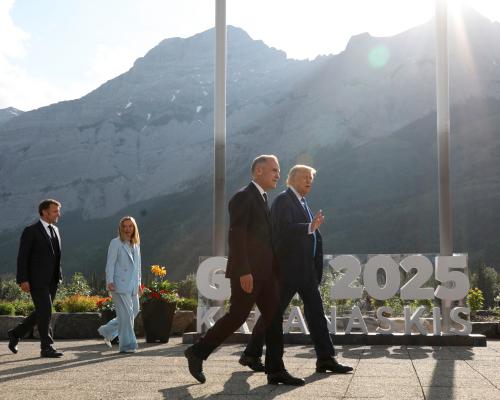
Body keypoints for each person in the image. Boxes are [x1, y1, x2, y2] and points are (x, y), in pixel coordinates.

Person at [184, 155, 304, 386]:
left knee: (274, 318)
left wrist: (275, 271)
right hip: (249, 273)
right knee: (237, 316)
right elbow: (237, 236)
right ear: (258, 171)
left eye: (278, 170)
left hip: (266, 274)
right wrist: (243, 271)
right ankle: (198, 352)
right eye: (274, 170)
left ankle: (276, 370)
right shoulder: (243, 197)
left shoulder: (262, 198)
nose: (278, 175)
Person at [242, 165, 353, 374]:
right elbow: (281, 231)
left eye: (311, 178)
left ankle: (326, 359)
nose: (309, 181)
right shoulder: (283, 200)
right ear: (292, 179)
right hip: (286, 271)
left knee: (317, 314)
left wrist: (312, 236)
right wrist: (309, 227)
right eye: (305, 177)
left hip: (306, 271)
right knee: (272, 314)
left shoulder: (302, 202)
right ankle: (251, 353)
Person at [8, 199, 64, 358]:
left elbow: (56, 256)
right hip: (36, 280)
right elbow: (22, 257)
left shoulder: (55, 230)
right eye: (55, 211)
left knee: (42, 311)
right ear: (44, 212)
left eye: (58, 211)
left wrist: (58, 275)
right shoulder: (31, 231)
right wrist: (23, 279)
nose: (58, 214)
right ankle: (46, 347)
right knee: (45, 311)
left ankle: (16, 333)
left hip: (53, 280)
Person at [97, 216, 143, 353]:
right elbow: (110, 264)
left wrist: (139, 284)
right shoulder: (115, 243)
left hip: (133, 286)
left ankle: (107, 330)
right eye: (125, 226)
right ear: (121, 228)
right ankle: (127, 345)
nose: (127, 229)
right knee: (127, 316)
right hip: (119, 285)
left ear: (134, 228)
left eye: (130, 226)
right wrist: (109, 281)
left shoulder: (136, 244)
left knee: (134, 311)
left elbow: (138, 267)